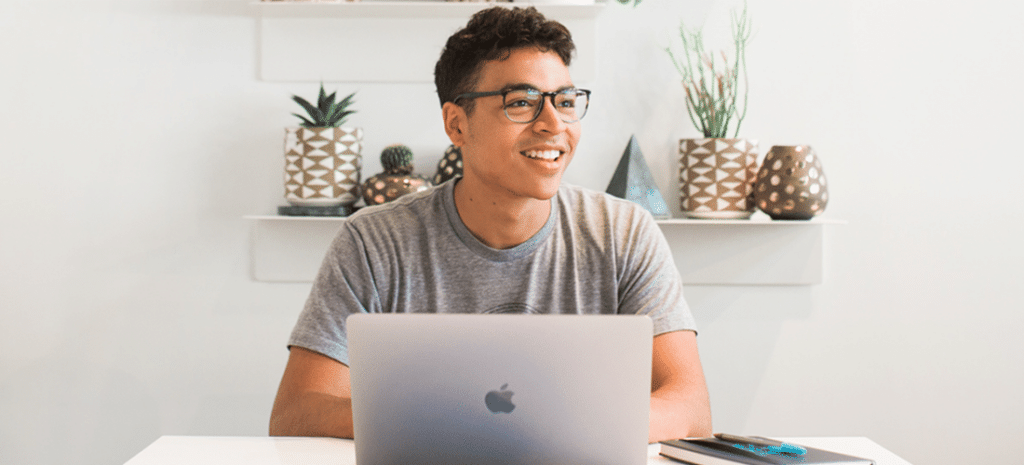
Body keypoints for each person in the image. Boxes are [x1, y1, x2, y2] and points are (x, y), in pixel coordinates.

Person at [269, 6, 712, 443]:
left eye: (565, 101)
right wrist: (453, 424)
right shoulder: (374, 242)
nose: (553, 124)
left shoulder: (623, 233)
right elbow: (297, 411)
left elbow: (690, 409)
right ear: (456, 124)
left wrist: (542, 430)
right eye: (521, 103)